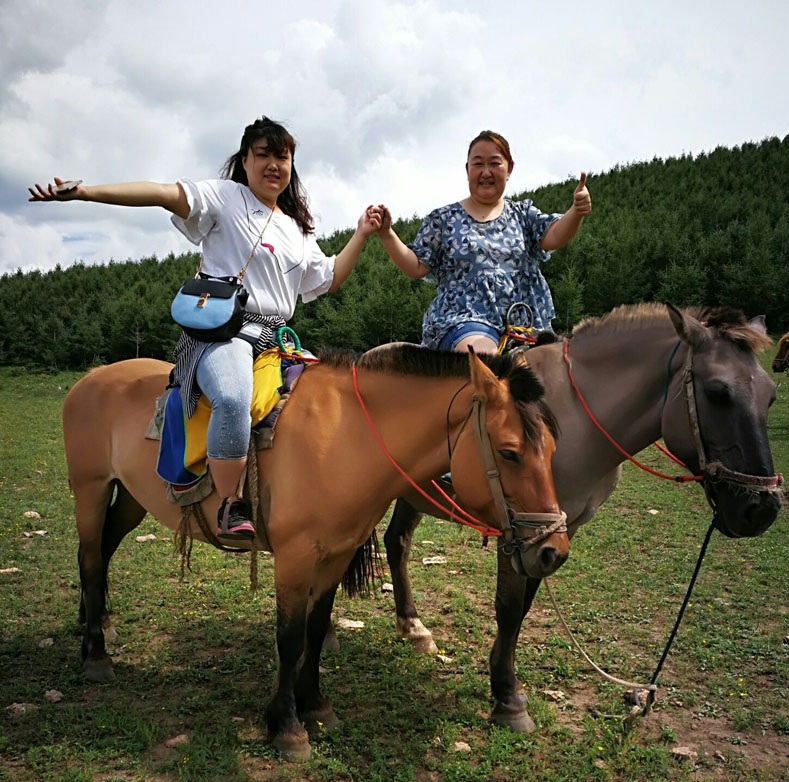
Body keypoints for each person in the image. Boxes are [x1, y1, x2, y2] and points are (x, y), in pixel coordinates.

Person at [29, 116, 381, 544]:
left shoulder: (296, 228)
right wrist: (87, 192)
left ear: (292, 166)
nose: (273, 165)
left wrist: (361, 233)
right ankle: (231, 504)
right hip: (224, 334)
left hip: (277, 341)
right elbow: (163, 193)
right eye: (263, 155)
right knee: (232, 398)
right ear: (245, 161)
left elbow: (326, 277)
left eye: (282, 157)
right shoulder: (226, 197)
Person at [375, 129, 591, 354]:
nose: (486, 172)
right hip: (464, 320)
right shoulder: (443, 219)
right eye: (478, 164)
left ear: (509, 169)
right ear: (467, 170)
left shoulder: (523, 214)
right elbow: (417, 265)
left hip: (524, 325)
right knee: (485, 357)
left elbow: (554, 236)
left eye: (494, 163)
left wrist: (576, 211)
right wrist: (387, 234)